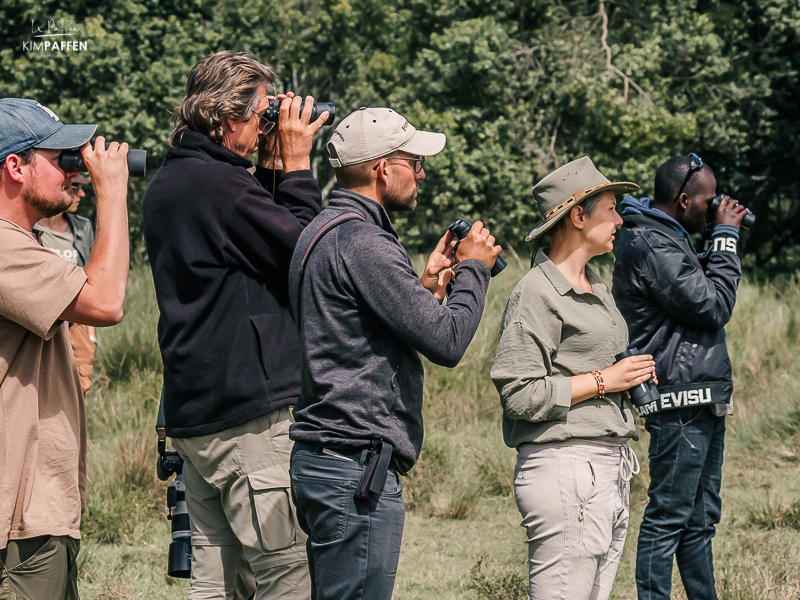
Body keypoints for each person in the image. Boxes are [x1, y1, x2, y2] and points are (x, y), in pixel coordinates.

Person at [287, 106, 500, 600]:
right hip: (354, 472)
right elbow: (447, 342)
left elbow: (353, 338)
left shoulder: (323, 230)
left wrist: (424, 288)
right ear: (384, 168)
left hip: (329, 463)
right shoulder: (364, 242)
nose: (421, 173)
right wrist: (474, 270)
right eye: (414, 162)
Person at [143, 51, 329, 600]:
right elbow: (304, 253)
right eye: (259, 116)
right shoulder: (220, 187)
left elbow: (257, 247)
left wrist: (269, 166)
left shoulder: (174, 181)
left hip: (196, 417)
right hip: (246, 421)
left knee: (218, 582)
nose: (263, 128)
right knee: (285, 574)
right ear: (226, 118)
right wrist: (296, 166)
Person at [490, 156, 655, 600]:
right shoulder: (536, 293)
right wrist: (607, 380)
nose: (621, 219)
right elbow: (519, 395)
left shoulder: (598, 287)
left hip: (608, 467)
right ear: (577, 216)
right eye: (611, 209)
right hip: (566, 468)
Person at [0, 98, 129, 599]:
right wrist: (111, 192)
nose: (72, 172)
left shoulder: (22, 242)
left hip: (34, 511)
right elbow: (106, 301)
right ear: (15, 166)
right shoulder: (5, 248)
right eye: (62, 159)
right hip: (18, 523)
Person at [612, 154, 748, 600]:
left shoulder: (669, 236)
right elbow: (712, 306)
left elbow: (698, 295)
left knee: (700, 519)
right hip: (679, 397)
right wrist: (726, 237)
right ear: (685, 199)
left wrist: (712, 237)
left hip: (699, 394)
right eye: (708, 203)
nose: (713, 209)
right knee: (669, 518)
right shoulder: (650, 242)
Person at [36, 175, 98, 393]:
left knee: (81, 385)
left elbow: (91, 274)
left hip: (77, 321)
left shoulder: (83, 228)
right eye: (75, 188)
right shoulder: (30, 229)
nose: (81, 194)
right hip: (45, 322)